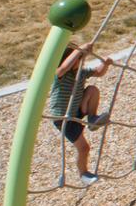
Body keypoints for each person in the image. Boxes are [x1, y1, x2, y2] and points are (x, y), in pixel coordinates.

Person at [48, 42, 113, 184]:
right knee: (84, 148)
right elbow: (64, 67)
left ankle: (92, 118)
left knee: (92, 90)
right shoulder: (61, 75)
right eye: (79, 58)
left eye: (82, 57)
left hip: (77, 111)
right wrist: (80, 50)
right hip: (63, 118)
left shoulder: (81, 72)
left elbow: (99, 72)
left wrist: (105, 64)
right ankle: (83, 173)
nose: (82, 60)